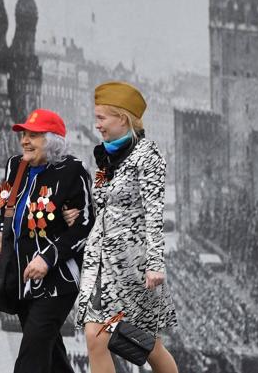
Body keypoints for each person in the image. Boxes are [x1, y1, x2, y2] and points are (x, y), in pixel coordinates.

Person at [64, 82, 179, 373]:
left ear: (123, 119)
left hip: (132, 263)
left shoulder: (148, 157)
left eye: (102, 118)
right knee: (95, 337)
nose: (97, 124)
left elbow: (154, 213)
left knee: (146, 344)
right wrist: (82, 215)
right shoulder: (104, 157)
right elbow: (102, 204)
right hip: (102, 263)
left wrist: (154, 263)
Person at [0, 109, 94, 373]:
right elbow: (6, 208)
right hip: (22, 278)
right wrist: (0, 231)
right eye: (24, 134)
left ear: (53, 141)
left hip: (57, 282)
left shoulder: (73, 171)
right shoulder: (15, 165)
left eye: (33, 136)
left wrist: (47, 258)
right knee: (51, 355)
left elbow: (84, 226)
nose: (24, 140)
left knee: (31, 358)